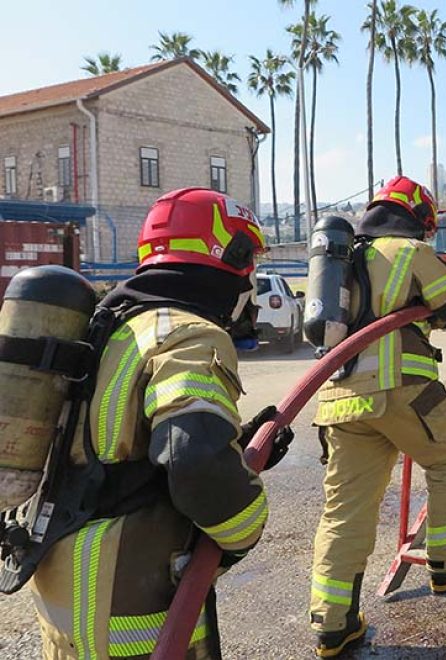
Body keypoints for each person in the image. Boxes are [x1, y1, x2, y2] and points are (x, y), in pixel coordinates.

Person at [29, 188, 277, 659]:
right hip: (125, 604)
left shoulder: (111, 326)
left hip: (62, 585)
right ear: (236, 259)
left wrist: (238, 444)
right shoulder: (190, 333)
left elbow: (114, 446)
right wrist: (245, 529)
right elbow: (195, 460)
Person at [310, 175, 446, 657]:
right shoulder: (410, 252)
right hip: (400, 391)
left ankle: (334, 624)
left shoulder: (345, 262)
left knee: (345, 512)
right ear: (420, 219)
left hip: (339, 402)